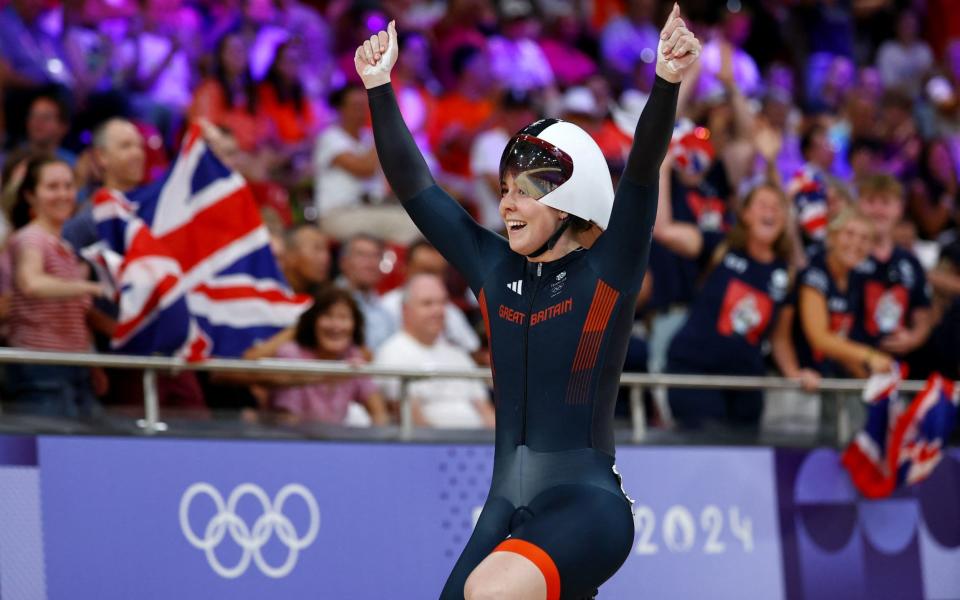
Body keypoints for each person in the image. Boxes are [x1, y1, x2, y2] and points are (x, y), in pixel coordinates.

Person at [355, 7, 697, 598]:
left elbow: (642, 173)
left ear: (567, 205)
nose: (507, 205)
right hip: (504, 505)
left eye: (525, 193)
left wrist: (665, 82)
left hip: (587, 507)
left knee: (486, 593)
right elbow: (416, 188)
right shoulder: (491, 268)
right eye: (504, 191)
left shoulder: (607, 271)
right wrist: (380, 89)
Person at [663, 182, 819, 429]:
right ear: (745, 213)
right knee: (709, 447)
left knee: (744, 460)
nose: (771, 211)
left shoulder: (786, 273)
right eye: (763, 205)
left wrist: (796, 374)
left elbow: (780, 340)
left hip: (746, 386)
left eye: (778, 207)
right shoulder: (719, 246)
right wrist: (663, 165)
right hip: (695, 374)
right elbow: (664, 231)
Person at [5, 156, 104, 416]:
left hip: (74, 367)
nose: (63, 194)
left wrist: (92, 362)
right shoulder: (30, 238)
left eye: (68, 186)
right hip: (41, 369)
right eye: (52, 187)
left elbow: (76, 314)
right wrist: (90, 288)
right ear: (30, 195)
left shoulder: (65, 247)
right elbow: (31, 282)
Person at [375, 273, 494, 428]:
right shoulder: (392, 353)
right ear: (405, 310)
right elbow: (412, 421)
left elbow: (485, 411)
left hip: (475, 446)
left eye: (442, 303)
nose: (438, 311)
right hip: (431, 448)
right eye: (427, 304)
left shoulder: (458, 355)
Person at [269, 285, 389, 426]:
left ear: (355, 325)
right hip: (295, 442)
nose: (336, 326)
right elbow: (287, 420)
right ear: (313, 321)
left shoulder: (353, 355)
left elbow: (380, 413)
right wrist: (332, 375)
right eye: (328, 316)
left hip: (337, 443)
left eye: (343, 317)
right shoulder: (291, 354)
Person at [793, 207, 892, 378]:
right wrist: (869, 356)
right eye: (849, 234)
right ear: (832, 237)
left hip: (830, 377)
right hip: (802, 379)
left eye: (864, 238)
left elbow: (844, 339)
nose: (856, 243)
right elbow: (819, 338)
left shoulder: (856, 278)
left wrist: (867, 376)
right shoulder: (815, 272)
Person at [853, 174, 933, 370]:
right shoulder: (845, 256)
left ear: (899, 208)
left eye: (886, 202)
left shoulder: (910, 262)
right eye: (871, 201)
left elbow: (922, 314)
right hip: (849, 370)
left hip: (898, 371)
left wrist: (912, 338)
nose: (878, 210)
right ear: (858, 205)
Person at [381, 239, 481, 357]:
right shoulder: (387, 306)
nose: (433, 278)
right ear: (406, 268)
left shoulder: (451, 311)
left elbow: (474, 351)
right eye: (426, 271)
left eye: (440, 272)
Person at [336, 233, 396, 351]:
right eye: (362, 255)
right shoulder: (329, 301)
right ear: (344, 262)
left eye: (376, 256)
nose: (370, 263)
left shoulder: (384, 310)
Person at [280, 224, 330, 295]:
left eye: (326, 249)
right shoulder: (272, 293)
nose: (326, 257)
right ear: (291, 255)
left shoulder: (326, 297)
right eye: (317, 248)